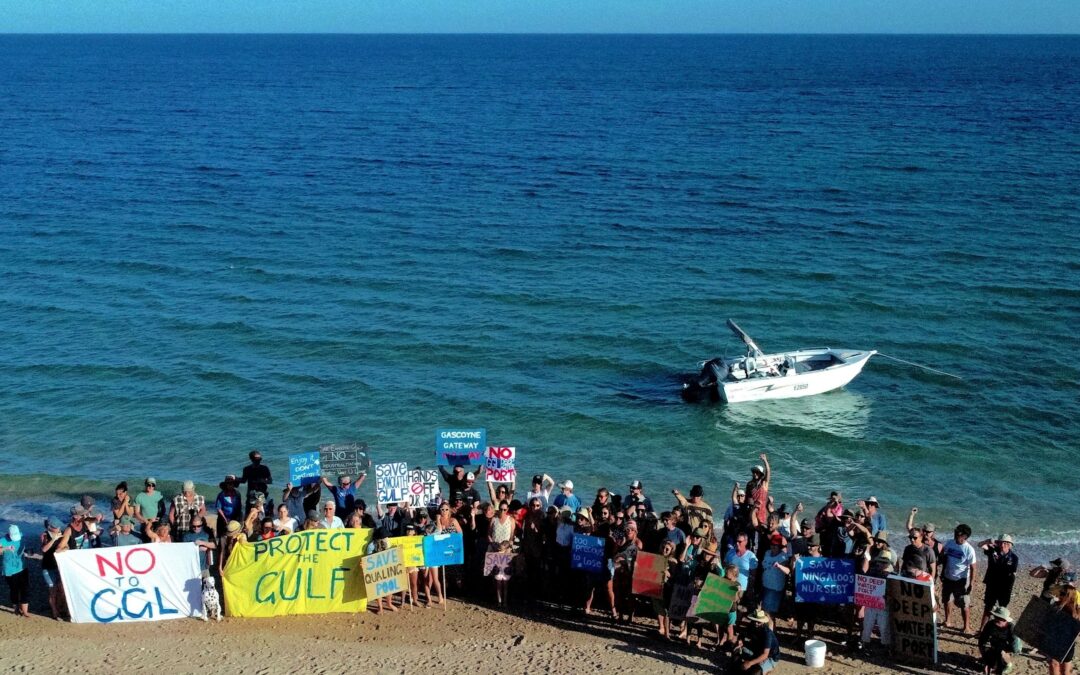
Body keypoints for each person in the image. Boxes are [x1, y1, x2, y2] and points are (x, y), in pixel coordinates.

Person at [941, 523, 978, 633]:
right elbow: (944, 556)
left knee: (964, 602)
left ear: (965, 537)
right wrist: (942, 572)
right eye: (955, 532)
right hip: (948, 577)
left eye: (958, 534)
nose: (955, 534)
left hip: (961, 580)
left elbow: (973, 568)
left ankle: (966, 626)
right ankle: (948, 620)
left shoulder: (969, 549)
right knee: (947, 599)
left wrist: (971, 583)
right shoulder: (950, 543)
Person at [979, 534, 1019, 630]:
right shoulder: (992, 550)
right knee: (988, 607)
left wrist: (1009, 588)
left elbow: (1012, 574)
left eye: (1005, 543)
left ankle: (999, 630)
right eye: (1001, 542)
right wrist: (987, 541)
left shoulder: (1014, 558)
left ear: (1010, 545)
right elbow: (980, 545)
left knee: (1002, 610)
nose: (1003, 545)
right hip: (992, 584)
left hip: (1005, 587)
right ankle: (982, 630)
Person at [737, 608, 781, 674]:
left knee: (755, 672)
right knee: (736, 649)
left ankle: (765, 667)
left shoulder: (767, 633)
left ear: (763, 622)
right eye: (754, 621)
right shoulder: (752, 626)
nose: (756, 623)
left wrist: (750, 663)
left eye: (758, 622)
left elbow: (765, 654)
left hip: (770, 657)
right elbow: (742, 634)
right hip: (757, 650)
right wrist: (740, 640)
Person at [977, 605, 1015, 675]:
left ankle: (1009, 665)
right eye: (995, 617)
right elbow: (982, 641)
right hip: (993, 646)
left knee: (1001, 657)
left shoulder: (1011, 627)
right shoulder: (990, 624)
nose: (995, 619)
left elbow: (1014, 644)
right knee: (991, 663)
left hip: (1005, 647)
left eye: (999, 618)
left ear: (1005, 620)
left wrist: (1006, 651)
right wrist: (986, 659)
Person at [1, 525, 29, 618]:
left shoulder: (21, 536)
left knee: (24, 588)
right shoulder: (3, 540)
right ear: (9, 534)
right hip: (9, 569)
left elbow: (25, 548)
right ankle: (16, 609)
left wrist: (28, 551)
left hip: (22, 567)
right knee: (14, 589)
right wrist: (6, 548)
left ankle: (25, 611)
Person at [39, 517, 65, 619]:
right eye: (56, 527)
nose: (58, 528)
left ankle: (61, 608)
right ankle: (54, 612)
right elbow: (44, 549)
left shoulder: (61, 533)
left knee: (61, 589)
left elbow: (66, 545)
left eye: (59, 526)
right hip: (48, 567)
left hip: (58, 566)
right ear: (49, 527)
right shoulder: (44, 535)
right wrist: (54, 539)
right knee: (52, 590)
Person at [761, 533, 791, 620]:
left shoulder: (783, 556)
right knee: (764, 611)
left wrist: (779, 566)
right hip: (765, 585)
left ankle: (770, 632)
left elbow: (788, 571)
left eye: (776, 545)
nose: (773, 547)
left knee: (769, 614)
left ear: (780, 546)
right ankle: (768, 631)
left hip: (775, 588)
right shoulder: (767, 553)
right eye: (772, 544)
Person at [725, 532, 759, 607]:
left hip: (742, 589)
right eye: (736, 541)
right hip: (729, 586)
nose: (737, 543)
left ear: (745, 542)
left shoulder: (751, 556)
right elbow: (725, 567)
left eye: (739, 542)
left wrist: (750, 589)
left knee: (738, 609)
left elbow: (753, 575)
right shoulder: (730, 553)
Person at [745, 452, 771, 525]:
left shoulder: (764, 484)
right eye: (754, 472)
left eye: (757, 472)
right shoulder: (749, 484)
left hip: (761, 513)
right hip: (752, 511)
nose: (755, 474)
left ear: (761, 474)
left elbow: (768, 472)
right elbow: (748, 499)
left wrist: (765, 460)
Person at [215, 475, 243, 540]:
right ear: (226, 485)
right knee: (223, 536)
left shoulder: (237, 493)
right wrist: (225, 519)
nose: (230, 485)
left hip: (235, 517)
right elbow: (218, 508)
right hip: (223, 518)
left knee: (235, 535)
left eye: (232, 483)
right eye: (229, 484)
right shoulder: (221, 495)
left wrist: (238, 518)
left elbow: (239, 506)